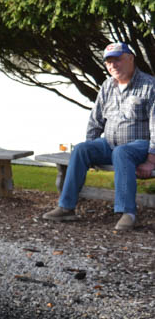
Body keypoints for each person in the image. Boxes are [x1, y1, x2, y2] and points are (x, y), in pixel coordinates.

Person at [43, 42, 155, 231]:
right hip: (110, 143)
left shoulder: (149, 85)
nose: (113, 65)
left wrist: (151, 159)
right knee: (81, 149)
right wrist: (92, 146)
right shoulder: (107, 86)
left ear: (130, 58)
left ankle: (128, 213)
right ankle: (66, 207)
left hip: (140, 146)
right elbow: (95, 120)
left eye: (117, 60)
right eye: (109, 62)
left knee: (121, 152)